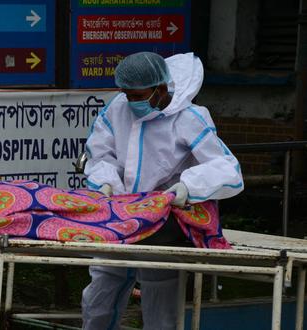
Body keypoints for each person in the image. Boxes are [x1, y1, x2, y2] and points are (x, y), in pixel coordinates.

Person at [81, 52, 244, 330]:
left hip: (164, 223)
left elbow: (227, 169)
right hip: (119, 216)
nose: (132, 101)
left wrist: (188, 187)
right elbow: (99, 154)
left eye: (138, 95)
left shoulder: (189, 117)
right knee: (100, 293)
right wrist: (104, 181)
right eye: (127, 93)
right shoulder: (118, 108)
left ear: (161, 89)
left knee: (161, 307)